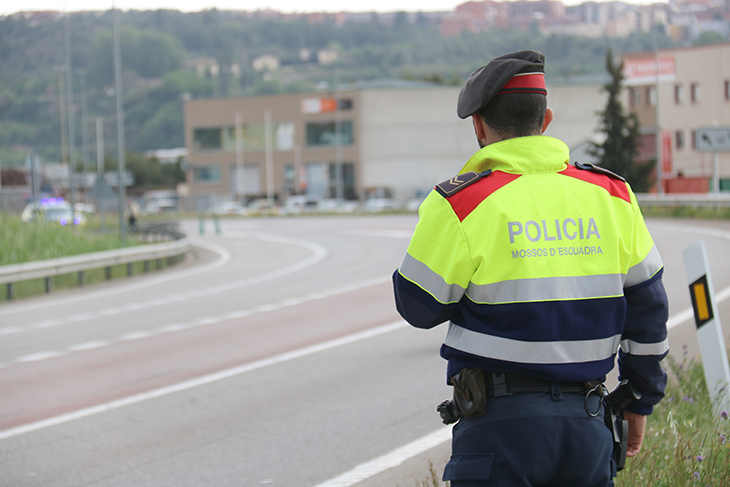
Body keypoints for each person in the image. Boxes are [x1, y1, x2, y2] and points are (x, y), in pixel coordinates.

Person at [392, 50, 669, 486]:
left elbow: (417, 307)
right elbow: (649, 311)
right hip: (588, 426)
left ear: (479, 126)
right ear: (547, 119)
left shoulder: (461, 203)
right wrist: (639, 397)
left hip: (499, 430)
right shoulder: (612, 195)